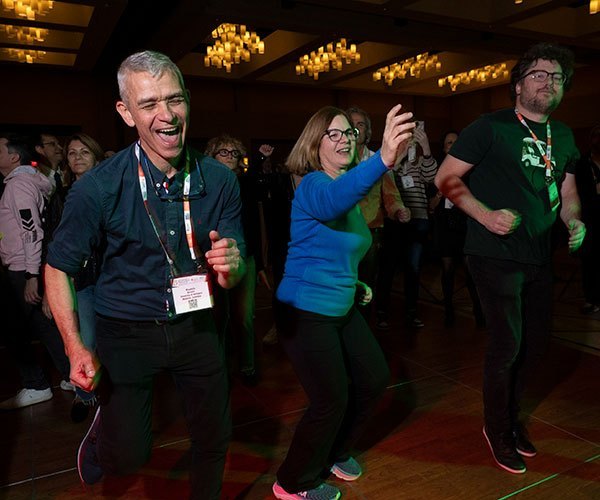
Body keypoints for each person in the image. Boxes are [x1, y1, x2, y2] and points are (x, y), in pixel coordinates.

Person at [44, 51, 245, 499]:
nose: (167, 115)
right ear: (126, 112)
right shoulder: (97, 187)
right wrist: (75, 346)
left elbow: (234, 264)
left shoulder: (221, 180)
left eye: (175, 100)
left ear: (188, 101)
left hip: (197, 325)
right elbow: (57, 268)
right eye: (150, 103)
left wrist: (234, 266)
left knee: (215, 436)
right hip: (127, 332)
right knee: (129, 457)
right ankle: (103, 440)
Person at [435, 42, 585, 475]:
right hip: (493, 253)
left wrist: (574, 222)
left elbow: (569, 194)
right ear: (518, 85)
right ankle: (497, 429)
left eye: (556, 77)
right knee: (507, 345)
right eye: (539, 74)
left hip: (539, 255)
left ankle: (512, 419)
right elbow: (446, 178)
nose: (548, 82)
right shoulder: (490, 127)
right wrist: (486, 215)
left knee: (535, 346)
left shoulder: (565, 135)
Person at [272, 104, 414, 500]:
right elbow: (332, 201)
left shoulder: (348, 194)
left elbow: (335, 249)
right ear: (314, 144)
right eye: (332, 133)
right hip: (304, 312)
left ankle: (334, 452)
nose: (344, 139)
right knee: (330, 400)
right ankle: (292, 483)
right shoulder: (314, 185)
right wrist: (385, 159)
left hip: (340, 306)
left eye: (349, 133)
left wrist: (353, 285)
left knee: (373, 378)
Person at [0, 133, 71, 410]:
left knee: (14, 329)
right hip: (22, 267)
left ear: (14, 156)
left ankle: (36, 384)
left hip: (22, 268)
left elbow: (32, 232)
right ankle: (67, 377)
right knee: (43, 325)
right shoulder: (23, 182)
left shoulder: (19, 186)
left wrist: (31, 276)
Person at [205, 133, 269, 386]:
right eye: (224, 152)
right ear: (212, 156)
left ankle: (247, 366)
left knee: (244, 316)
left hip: (245, 259)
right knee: (217, 318)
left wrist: (261, 264)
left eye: (234, 153)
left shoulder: (247, 184)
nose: (230, 156)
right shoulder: (204, 187)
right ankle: (218, 368)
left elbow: (255, 226)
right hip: (213, 260)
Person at [347, 106, 411, 324]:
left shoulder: (379, 160)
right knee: (343, 286)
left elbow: (391, 195)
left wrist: (399, 211)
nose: (355, 129)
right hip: (341, 234)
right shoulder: (336, 159)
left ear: (368, 131)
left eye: (360, 124)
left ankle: (362, 330)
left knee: (365, 286)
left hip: (370, 232)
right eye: (351, 124)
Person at [376, 120, 438, 329]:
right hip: (394, 222)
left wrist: (426, 149)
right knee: (388, 268)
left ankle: (411, 313)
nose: (408, 142)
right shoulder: (386, 162)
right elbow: (381, 181)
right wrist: (398, 157)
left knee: (413, 268)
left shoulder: (420, 162)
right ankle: (381, 312)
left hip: (418, 220)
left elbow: (433, 178)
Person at [63, 133, 106, 422]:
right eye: (71, 152)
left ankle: (115, 394)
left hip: (111, 278)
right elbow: (53, 244)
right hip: (82, 280)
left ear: (96, 158)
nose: (77, 157)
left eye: (84, 152)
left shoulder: (109, 193)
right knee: (86, 340)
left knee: (115, 340)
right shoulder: (59, 196)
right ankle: (86, 395)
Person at [429, 131, 484, 328]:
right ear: (443, 148)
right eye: (448, 142)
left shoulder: (470, 171)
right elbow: (431, 204)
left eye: (455, 142)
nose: (452, 145)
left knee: (471, 272)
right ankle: (449, 312)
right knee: (448, 271)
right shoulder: (436, 172)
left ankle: (479, 312)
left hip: (465, 225)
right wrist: (439, 194)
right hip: (445, 226)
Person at [575, 124, 600, 314]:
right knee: (589, 260)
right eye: (595, 135)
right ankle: (590, 297)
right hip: (589, 218)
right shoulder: (582, 163)